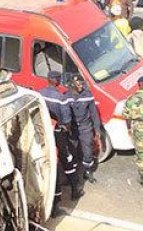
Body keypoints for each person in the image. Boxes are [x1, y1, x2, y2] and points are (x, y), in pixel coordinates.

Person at [39, 71, 82, 215]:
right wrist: (66, 130)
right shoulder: (61, 98)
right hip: (58, 133)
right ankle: (74, 189)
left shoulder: (40, 94)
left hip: (44, 132)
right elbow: (67, 120)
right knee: (66, 159)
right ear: (56, 81)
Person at [67, 75, 101, 184]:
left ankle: (88, 173)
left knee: (88, 152)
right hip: (72, 129)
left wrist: (97, 130)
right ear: (72, 85)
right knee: (72, 151)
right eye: (78, 84)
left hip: (85, 128)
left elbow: (94, 114)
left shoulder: (87, 96)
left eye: (82, 84)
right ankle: (74, 174)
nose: (81, 86)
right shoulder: (66, 96)